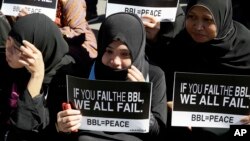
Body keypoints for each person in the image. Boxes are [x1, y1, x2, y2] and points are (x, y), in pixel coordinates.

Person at [56, 12, 167, 141]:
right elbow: (63, 129)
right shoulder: (84, 72)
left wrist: (141, 100)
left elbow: (159, 133)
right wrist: (62, 125)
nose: (115, 61)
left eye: (125, 54)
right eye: (109, 51)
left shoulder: (153, 76)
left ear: (137, 51)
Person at [162, 0, 250, 140]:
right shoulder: (180, 44)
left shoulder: (246, 48)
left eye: (207, 20)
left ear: (223, 18)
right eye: (191, 17)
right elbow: (166, 86)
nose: (198, 26)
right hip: (188, 126)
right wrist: (168, 104)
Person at [0, 13, 88, 141]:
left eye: (16, 48)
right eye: (8, 42)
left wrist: (37, 76)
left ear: (40, 51)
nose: (8, 51)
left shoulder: (64, 79)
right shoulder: (10, 67)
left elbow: (24, 130)